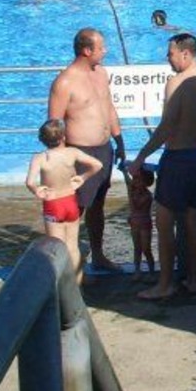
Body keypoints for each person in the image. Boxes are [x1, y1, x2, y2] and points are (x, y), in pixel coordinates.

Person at [128, 32, 196, 299]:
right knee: (194, 221)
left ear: (186, 54)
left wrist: (140, 157)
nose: (168, 58)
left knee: (164, 222)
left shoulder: (176, 83)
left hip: (178, 159)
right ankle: (193, 280)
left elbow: (166, 127)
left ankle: (165, 284)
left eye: (171, 54)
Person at [48, 28, 128, 272]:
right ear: (86, 50)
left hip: (104, 149)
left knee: (97, 206)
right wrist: (62, 159)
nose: (105, 51)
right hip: (79, 153)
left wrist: (119, 140)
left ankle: (98, 255)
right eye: (101, 47)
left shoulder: (101, 73)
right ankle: (68, 265)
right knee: (74, 210)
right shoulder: (65, 82)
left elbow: (108, 107)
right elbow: (54, 124)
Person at [25, 119, 105, 287]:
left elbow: (30, 182)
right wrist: (82, 178)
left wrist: (37, 190)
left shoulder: (40, 158)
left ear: (42, 139)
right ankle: (77, 285)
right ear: (63, 137)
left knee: (56, 249)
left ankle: (60, 288)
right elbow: (97, 165)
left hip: (53, 204)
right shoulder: (72, 152)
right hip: (70, 202)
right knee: (72, 247)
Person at [126, 167, 156, 275]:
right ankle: (137, 270)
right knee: (137, 248)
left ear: (146, 182)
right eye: (134, 178)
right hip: (134, 223)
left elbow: (136, 206)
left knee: (146, 249)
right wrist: (124, 172)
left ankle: (152, 272)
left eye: (138, 179)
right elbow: (128, 182)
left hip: (144, 224)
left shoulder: (148, 195)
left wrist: (130, 195)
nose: (134, 181)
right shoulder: (134, 192)